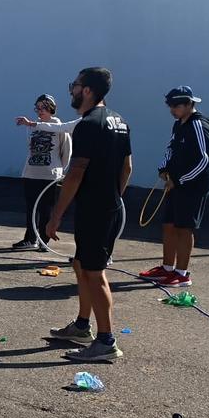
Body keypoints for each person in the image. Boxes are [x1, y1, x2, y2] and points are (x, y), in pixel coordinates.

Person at [45, 67, 132, 362]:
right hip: (107, 205)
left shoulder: (89, 124)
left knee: (94, 273)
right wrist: (114, 198)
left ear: (88, 90)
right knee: (81, 265)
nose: (72, 89)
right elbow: (127, 167)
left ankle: (106, 340)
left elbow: (76, 172)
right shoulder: (119, 121)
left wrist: (56, 215)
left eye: (76, 85)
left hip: (96, 209)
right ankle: (83, 326)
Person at [139, 86, 209, 288]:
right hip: (175, 183)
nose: (173, 110)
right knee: (169, 224)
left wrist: (179, 180)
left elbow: (203, 160)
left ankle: (182, 273)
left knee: (184, 227)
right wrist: (163, 168)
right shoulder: (178, 124)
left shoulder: (199, 126)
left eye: (177, 106)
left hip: (193, 184)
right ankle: (167, 268)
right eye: (170, 106)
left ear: (190, 104)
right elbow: (171, 148)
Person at [13, 94, 72, 250]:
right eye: (37, 108)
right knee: (31, 207)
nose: (40, 111)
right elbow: (30, 148)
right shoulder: (33, 125)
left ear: (51, 108)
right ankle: (30, 239)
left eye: (44, 107)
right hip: (31, 172)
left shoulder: (59, 126)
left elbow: (66, 151)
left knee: (46, 207)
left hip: (50, 174)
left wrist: (59, 170)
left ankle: (44, 240)